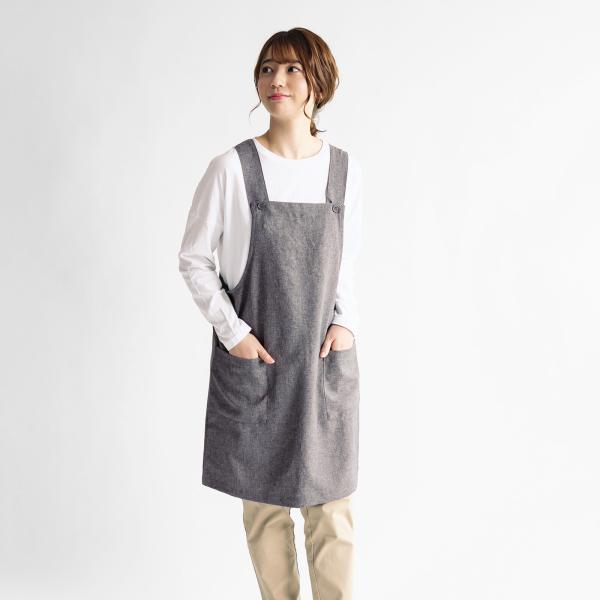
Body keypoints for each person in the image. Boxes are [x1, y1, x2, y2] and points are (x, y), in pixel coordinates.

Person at [178, 27, 363, 600]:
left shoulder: (343, 171)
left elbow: (347, 263)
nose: (275, 80)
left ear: (318, 82)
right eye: (266, 69)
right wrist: (232, 332)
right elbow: (193, 259)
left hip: (322, 365)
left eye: (291, 69)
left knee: (332, 512)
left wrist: (346, 322)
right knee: (264, 513)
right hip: (259, 361)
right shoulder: (231, 168)